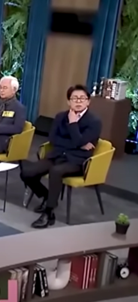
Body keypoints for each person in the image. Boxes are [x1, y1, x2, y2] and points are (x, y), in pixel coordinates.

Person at [21, 85, 101, 229]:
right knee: (27, 172)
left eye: (82, 98)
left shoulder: (94, 121)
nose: (78, 101)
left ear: (88, 101)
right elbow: (53, 139)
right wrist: (78, 143)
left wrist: (73, 124)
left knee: (56, 171)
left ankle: (48, 212)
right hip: (57, 155)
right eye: (74, 98)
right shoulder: (60, 117)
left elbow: (78, 141)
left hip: (77, 161)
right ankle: (47, 196)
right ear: (68, 101)